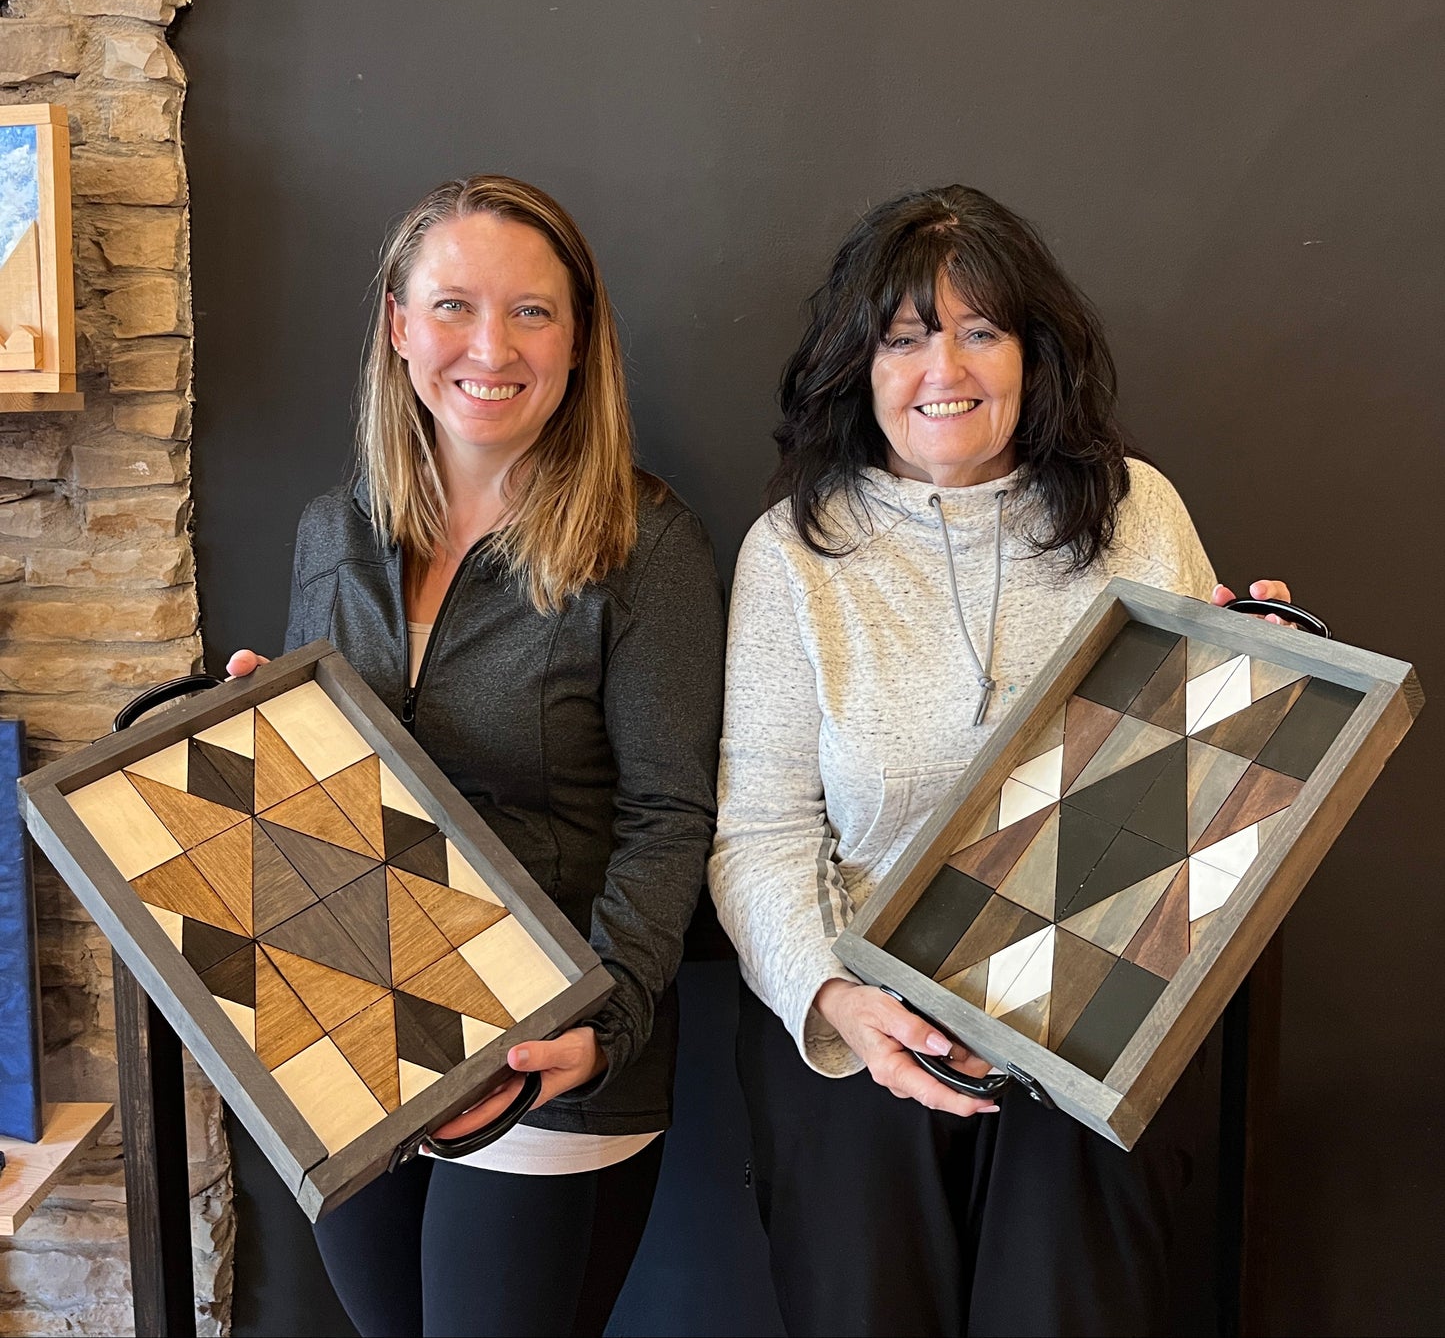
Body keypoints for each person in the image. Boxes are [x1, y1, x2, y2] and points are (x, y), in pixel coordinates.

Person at [708, 184, 1292, 1336]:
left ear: (1033, 354)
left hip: (1095, 1015)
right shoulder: (792, 550)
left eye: (980, 329)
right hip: (869, 1019)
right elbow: (759, 831)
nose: (946, 366)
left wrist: (1265, 689)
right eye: (906, 334)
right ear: (857, 364)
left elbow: (1199, 792)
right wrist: (833, 998)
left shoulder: (1132, 511)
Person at [229, 174, 724, 1338]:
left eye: (532, 311)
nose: (489, 345)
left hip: (543, 1050)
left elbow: (668, 814)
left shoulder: (643, 544)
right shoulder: (329, 529)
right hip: (350, 1035)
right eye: (452, 305)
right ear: (399, 328)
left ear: (580, 338)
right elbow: (326, 792)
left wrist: (602, 1023)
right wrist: (250, 742)